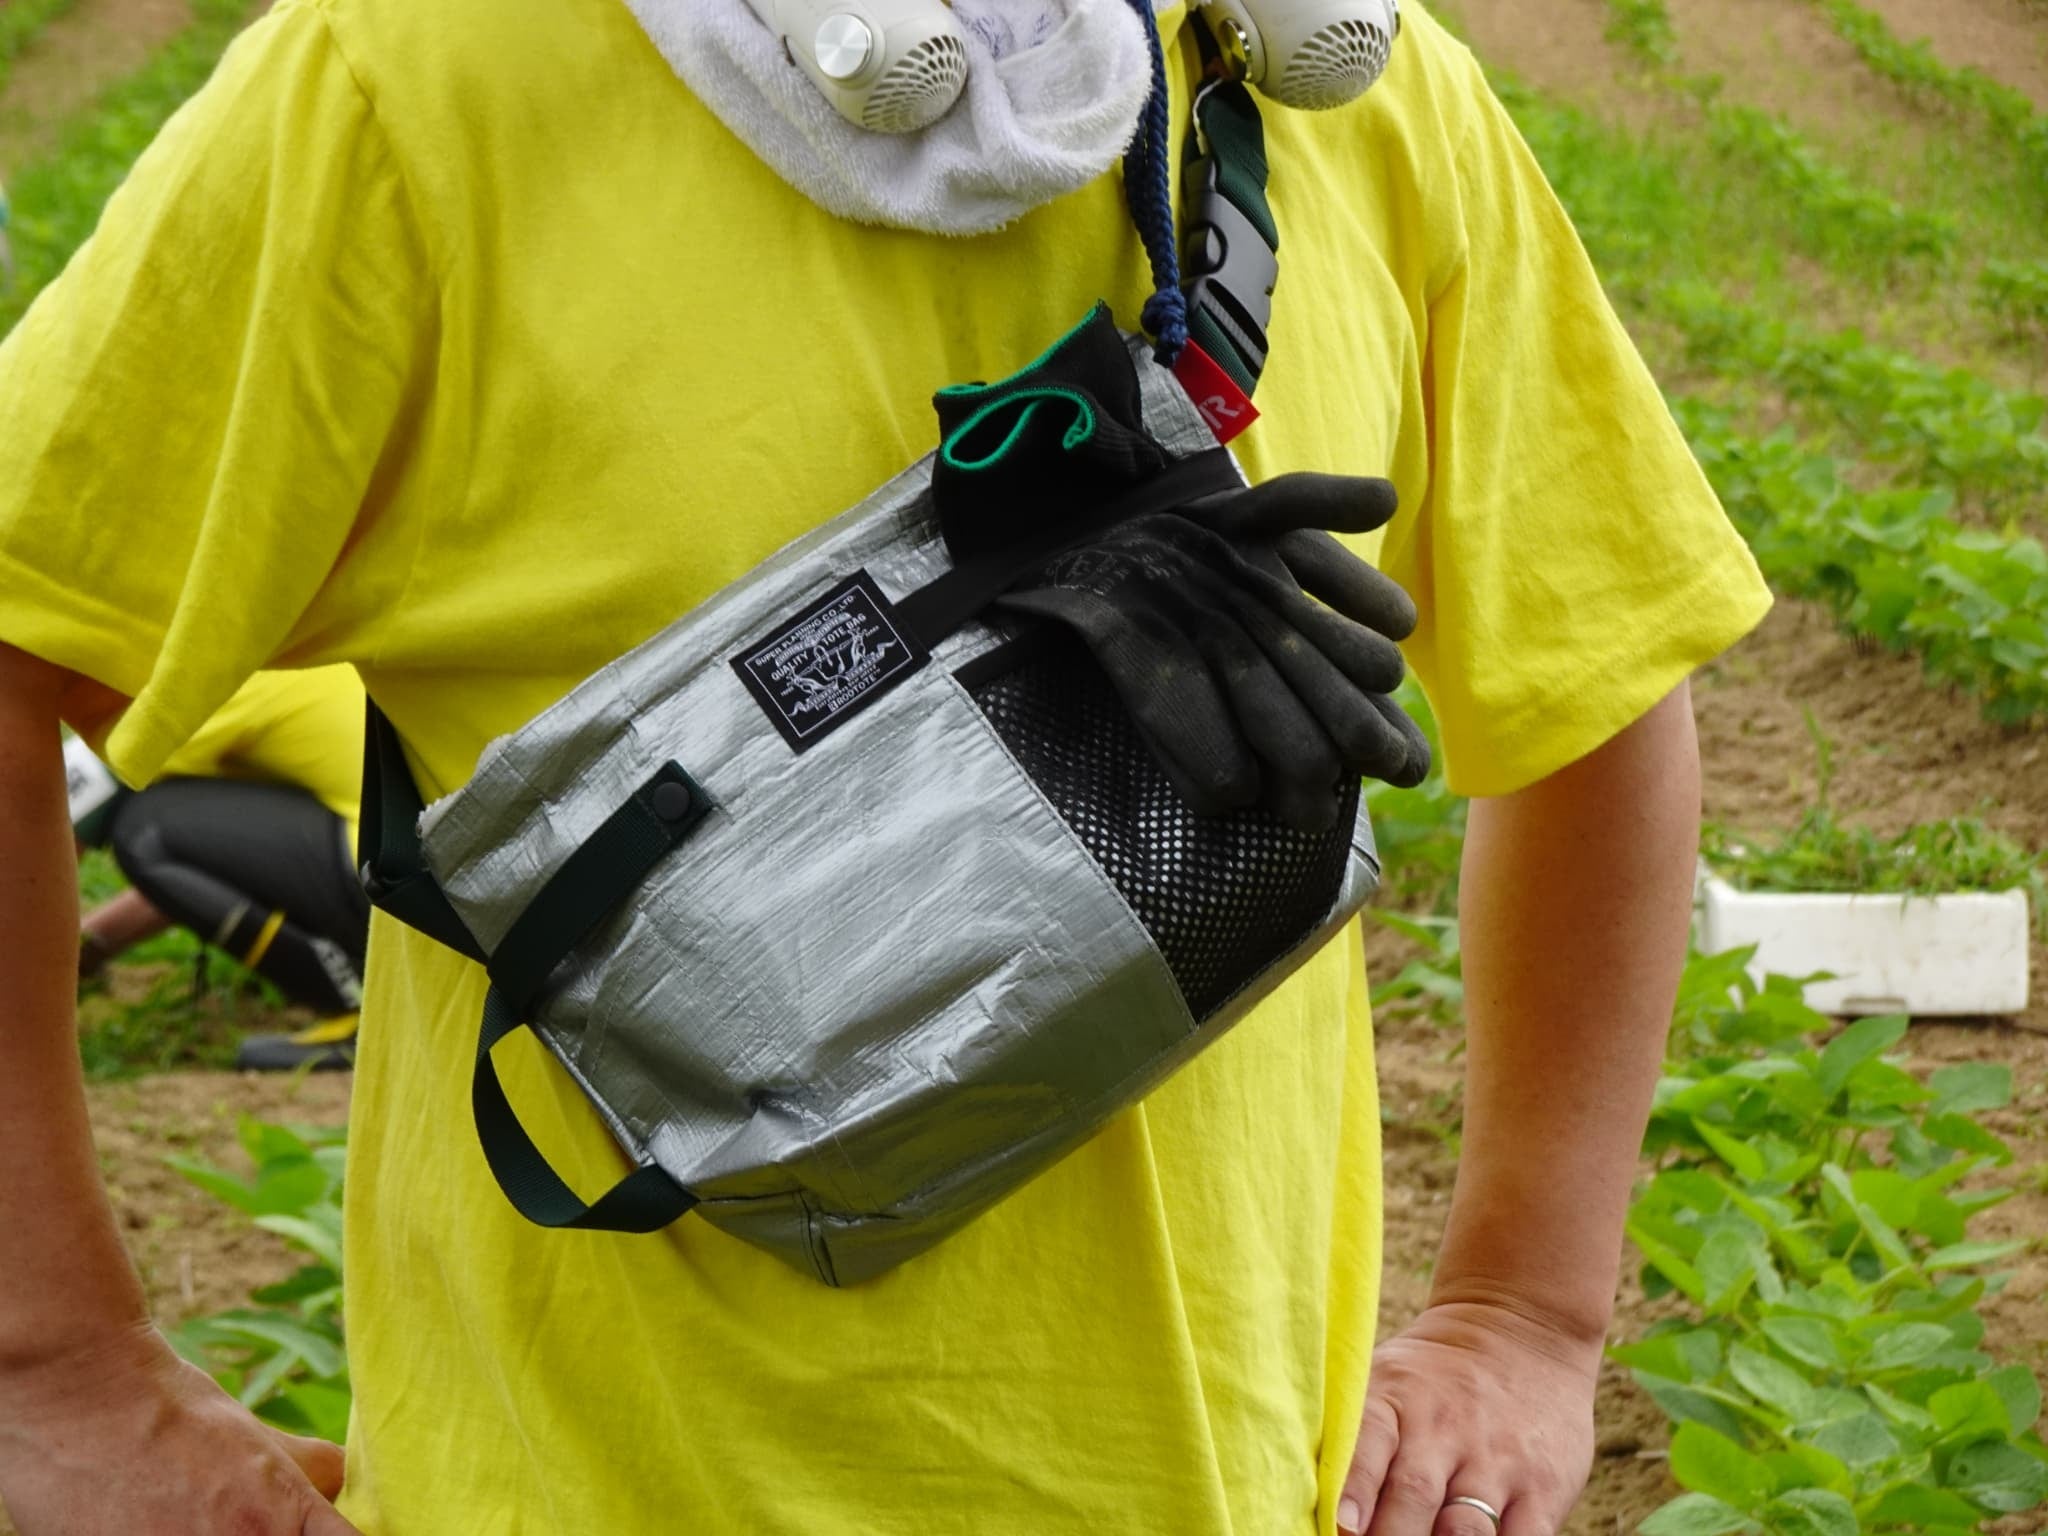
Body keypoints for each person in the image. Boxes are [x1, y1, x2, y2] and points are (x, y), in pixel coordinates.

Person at [0, 1, 1772, 1533]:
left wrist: (1524, 1315)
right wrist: (53, 1366)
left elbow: (1601, 681)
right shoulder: (418, 83)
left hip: (1237, 1481)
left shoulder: (1349, 92)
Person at [72, 665, 368, 1072]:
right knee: (159, 830)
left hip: (382, 880)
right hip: (420, 881)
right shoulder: (283, 658)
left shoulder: (217, 683)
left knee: (146, 827)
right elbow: (204, 871)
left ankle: (357, 1009)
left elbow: (64, 815)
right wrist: (90, 948)